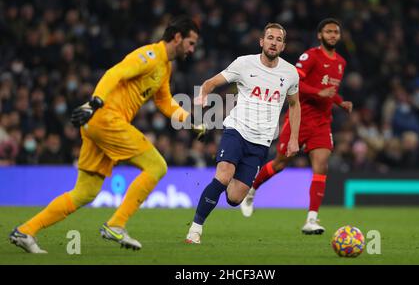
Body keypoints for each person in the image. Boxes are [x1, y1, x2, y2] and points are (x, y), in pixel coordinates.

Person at [9, 16, 205, 253]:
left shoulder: (165, 67)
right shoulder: (150, 56)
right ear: (177, 38)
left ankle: (26, 231)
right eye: (191, 43)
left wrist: (189, 120)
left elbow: (164, 101)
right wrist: (95, 102)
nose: (193, 49)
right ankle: (116, 224)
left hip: (98, 123)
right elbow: (116, 72)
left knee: (85, 192)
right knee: (157, 166)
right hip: (106, 118)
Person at [185, 23, 301, 244]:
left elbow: (295, 105)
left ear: (283, 45)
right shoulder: (244, 63)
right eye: (270, 38)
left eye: (278, 39)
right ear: (261, 41)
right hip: (236, 130)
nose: (273, 42)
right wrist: (203, 95)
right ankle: (195, 229)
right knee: (223, 175)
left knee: (234, 198)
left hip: (261, 142)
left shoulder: (290, 73)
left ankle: (230, 174)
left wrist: (294, 138)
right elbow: (211, 82)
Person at [240, 18, 353, 235]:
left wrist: (340, 101)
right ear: (320, 35)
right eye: (328, 31)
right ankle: (251, 189)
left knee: (321, 165)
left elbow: (327, 89)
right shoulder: (310, 56)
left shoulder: (341, 62)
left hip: (322, 122)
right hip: (299, 118)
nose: (332, 35)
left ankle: (311, 219)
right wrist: (318, 93)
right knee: (281, 162)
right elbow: (296, 83)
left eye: (336, 32)